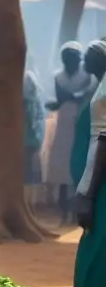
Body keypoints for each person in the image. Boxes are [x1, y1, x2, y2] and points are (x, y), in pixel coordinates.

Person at [69, 40, 106, 287]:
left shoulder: (103, 92)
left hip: (102, 196)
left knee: (91, 279)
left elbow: (102, 141)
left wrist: (87, 195)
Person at [46, 42, 96, 223]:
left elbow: (85, 95)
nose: (70, 61)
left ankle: (76, 211)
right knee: (61, 167)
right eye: (67, 57)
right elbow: (55, 99)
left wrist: (69, 96)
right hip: (64, 123)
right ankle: (63, 212)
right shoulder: (58, 77)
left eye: (73, 57)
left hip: (81, 123)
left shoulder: (88, 77)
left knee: (78, 166)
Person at [23, 58, 46, 192]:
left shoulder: (33, 102)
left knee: (30, 160)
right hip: (29, 134)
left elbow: (37, 117)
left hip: (31, 134)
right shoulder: (29, 102)